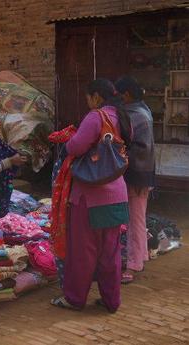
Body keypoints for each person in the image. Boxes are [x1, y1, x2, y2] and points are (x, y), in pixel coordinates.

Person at [51, 79, 132, 313]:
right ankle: (111, 301)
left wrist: (67, 140)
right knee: (111, 253)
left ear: (96, 96)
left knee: (83, 251)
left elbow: (76, 147)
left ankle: (75, 299)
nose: (88, 103)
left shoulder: (96, 116)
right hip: (117, 194)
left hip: (89, 197)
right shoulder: (123, 117)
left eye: (88, 98)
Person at [115, 76, 155, 284]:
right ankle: (140, 257)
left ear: (127, 94)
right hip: (143, 173)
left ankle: (132, 265)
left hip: (138, 174)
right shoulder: (143, 110)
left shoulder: (135, 114)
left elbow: (138, 147)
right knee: (137, 219)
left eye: (120, 95)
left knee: (135, 220)